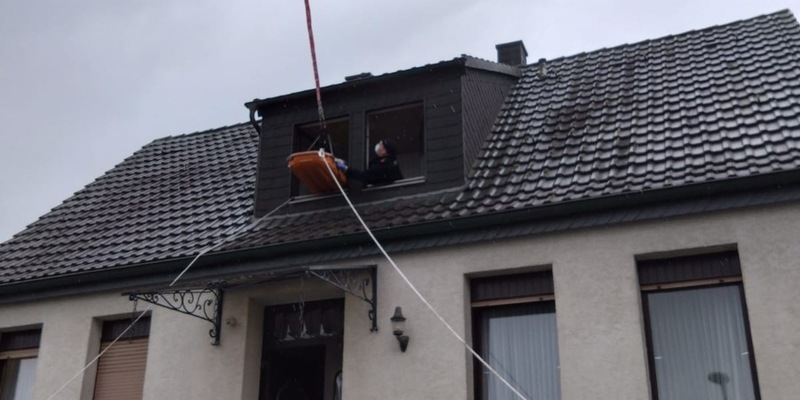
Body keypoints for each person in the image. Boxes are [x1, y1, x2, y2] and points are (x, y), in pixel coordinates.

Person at [336, 139, 403, 186]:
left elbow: (365, 176)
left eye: (380, 144)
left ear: (384, 151)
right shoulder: (379, 162)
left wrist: (346, 169)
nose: (378, 145)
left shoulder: (386, 167)